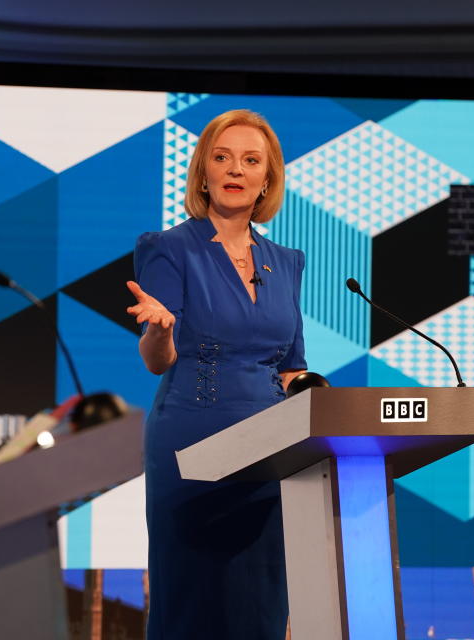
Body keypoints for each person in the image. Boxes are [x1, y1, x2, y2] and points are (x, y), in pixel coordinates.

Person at [126, 109, 307, 639]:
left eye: (251, 160)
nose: (235, 169)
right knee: (195, 606)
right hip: (192, 445)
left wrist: (323, 406)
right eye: (222, 157)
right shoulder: (168, 249)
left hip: (273, 452)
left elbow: (292, 366)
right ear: (202, 172)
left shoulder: (288, 261)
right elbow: (158, 359)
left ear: (267, 179)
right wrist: (159, 331)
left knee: (260, 607)